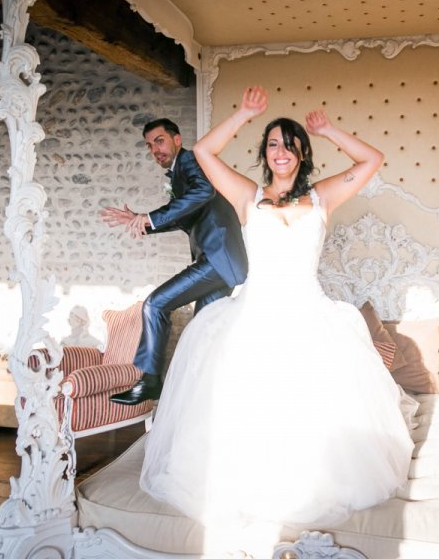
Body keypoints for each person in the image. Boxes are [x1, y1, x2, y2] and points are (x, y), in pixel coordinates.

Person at [139, 87, 415, 529]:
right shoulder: (248, 197)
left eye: (290, 143)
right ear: (264, 154)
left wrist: (329, 130)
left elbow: (371, 160)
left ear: (302, 152)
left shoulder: (323, 198)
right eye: (272, 144)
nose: (281, 151)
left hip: (310, 319)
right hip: (253, 320)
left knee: (309, 413)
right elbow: (206, 151)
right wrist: (245, 112)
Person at [101, 118, 248, 405]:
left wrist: (151, 217)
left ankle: (149, 381)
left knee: (155, 304)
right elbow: (184, 215)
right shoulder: (180, 172)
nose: (154, 149)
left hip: (218, 259)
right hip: (221, 262)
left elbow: (204, 193)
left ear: (176, 140)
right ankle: (206, 399)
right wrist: (142, 222)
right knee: (202, 334)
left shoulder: (191, 161)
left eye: (159, 140)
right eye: (149, 145)